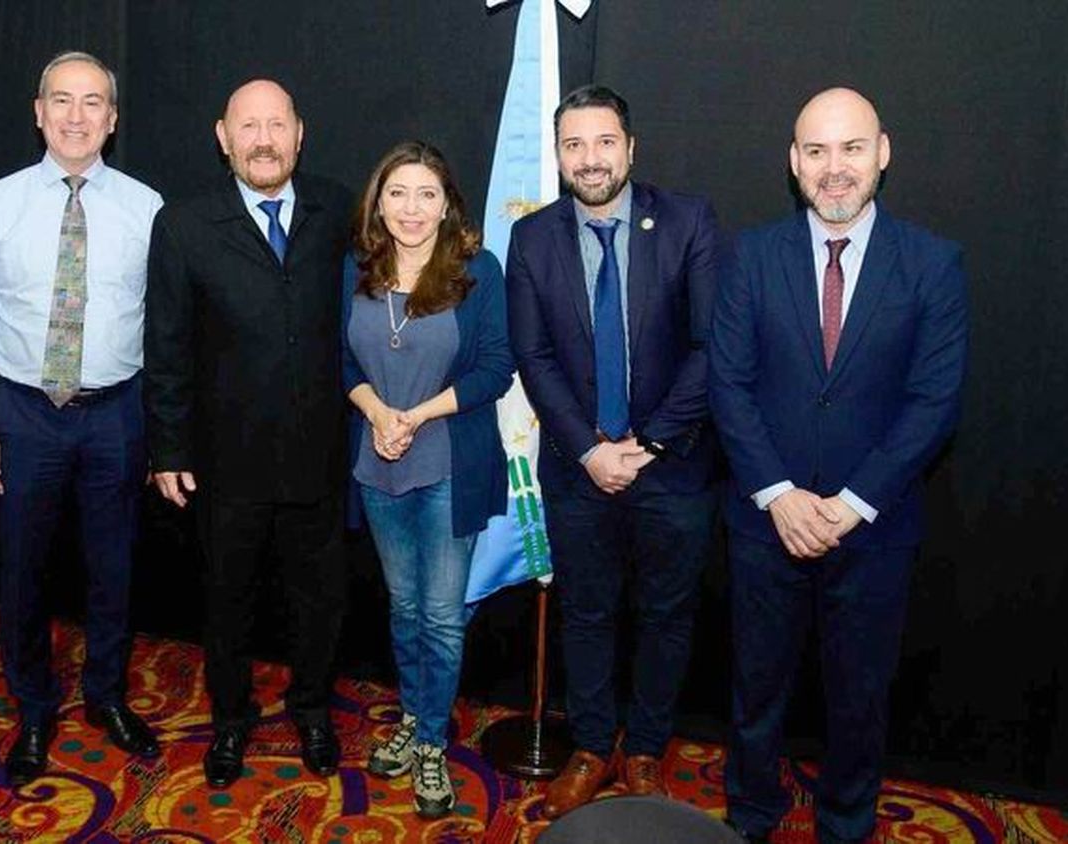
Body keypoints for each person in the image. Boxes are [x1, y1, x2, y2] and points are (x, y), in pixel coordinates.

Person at [709, 87, 969, 843]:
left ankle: (846, 825)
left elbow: (934, 402)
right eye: (815, 152)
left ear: (882, 152)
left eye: (850, 149)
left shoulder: (933, 264)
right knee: (756, 691)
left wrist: (852, 502)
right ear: (793, 163)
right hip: (766, 525)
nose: (834, 169)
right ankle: (750, 818)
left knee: (858, 699)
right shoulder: (752, 256)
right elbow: (729, 383)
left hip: (874, 532)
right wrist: (781, 496)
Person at [0, 51, 164, 787]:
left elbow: (166, 331)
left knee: (114, 569)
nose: (76, 116)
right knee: (23, 571)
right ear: (38, 111)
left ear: (113, 118)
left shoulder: (147, 208)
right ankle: (33, 705)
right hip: (24, 415)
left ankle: (105, 695)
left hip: (116, 416)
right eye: (62, 101)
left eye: (93, 102)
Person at [505, 84, 721, 818]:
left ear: (631, 147)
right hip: (577, 467)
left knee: (666, 614)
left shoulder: (689, 221)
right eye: (574, 145)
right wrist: (589, 449)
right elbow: (532, 357)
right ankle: (594, 746)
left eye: (604, 143)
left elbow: (708, 346)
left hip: (674, 466)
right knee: (588, 613)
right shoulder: (533, 238)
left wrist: (649, 441)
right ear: (560, 155)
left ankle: (646, 752)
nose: (590, 159)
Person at [144, 78, 353, 790]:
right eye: (248, 127)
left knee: (319, 600)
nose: (263, 140)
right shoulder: (182, 224)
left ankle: (313, 709)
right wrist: (168, 447)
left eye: (276, 125)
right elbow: (166, 344)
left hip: (320, 456)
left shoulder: (338, 210)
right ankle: (230, 720)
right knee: (226, 602)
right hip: (223, 462)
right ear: (222, 137)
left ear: (300, 132)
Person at [343, 141, 514, 818]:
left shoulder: (478, 271)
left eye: (426, 195)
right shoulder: (355, 269)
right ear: (378, 201)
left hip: (448, 461)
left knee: (443, 616)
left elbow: (496, 369)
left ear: (448, 205)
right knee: (405, 608)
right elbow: (342, 364)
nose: (411, 209)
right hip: (376, 462)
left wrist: (413, 415)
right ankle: (412, 719)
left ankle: (434, 743)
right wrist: (379, 412)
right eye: (398, 193)